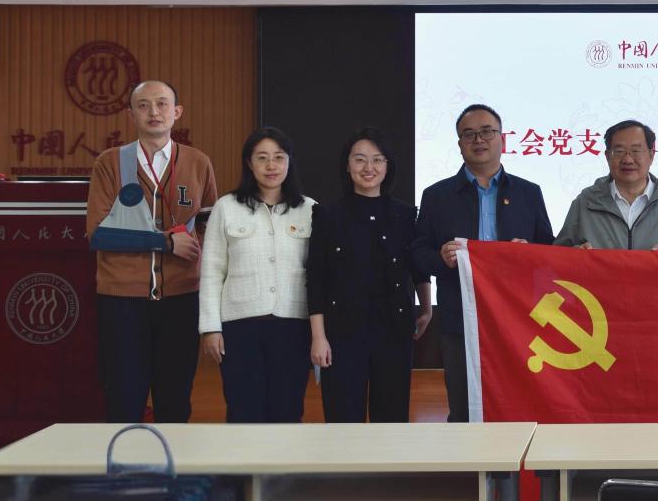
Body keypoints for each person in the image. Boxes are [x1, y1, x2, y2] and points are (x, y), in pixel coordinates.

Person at [411, 103, 555, 423]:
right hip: (459, 320)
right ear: (459, 144)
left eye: (487, 132)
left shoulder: (529, 193)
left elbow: (550, 253)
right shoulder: (437, 195)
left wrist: (528, 254)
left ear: (502, 139)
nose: (479, 140)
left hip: (518, 320)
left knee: (517, 406)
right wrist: (441, 259)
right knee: (464, 410)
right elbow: (418, 254)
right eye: (469, 134)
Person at [87, 80, 218, 423]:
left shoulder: (198, 162)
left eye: (162, 104)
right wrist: (165, 242)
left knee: (175, 398)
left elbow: (210, 227)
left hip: (181, 298)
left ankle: (172, 460)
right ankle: (123, 459)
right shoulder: (111, 162)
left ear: (177, 112)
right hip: (122, 301)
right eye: (143, 105)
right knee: (123, 398)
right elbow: (98, 235)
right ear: (131, 115)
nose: (154, 112)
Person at [305, 128, 431, 422]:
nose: (368, 168)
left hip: (394, 329)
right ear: (347, 165)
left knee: (392, 417)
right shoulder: (328, 215)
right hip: (342, 332)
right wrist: (318, 337)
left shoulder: (405, 215)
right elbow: (316, 278)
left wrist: (426, 307)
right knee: (343, 418)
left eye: (377, 159)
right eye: (359, 159)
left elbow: (418, 266)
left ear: (388, 166)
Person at [198, 127, 316, 423]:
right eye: (262, 158)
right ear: (249, 164)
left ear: (289, 162)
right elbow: (212, 270)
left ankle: (285, 457)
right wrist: (210, 328)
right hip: (240, 327)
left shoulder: (309, 209)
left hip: (294, 325)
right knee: (243, 411)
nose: (271, 165)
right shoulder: (226, 207)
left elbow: (319, 275)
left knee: (288, 410)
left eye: (279, 157)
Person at [556, 119, 658, 250]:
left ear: (651, 155)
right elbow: (558, 257)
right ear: (607, 156)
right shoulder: (585, 202)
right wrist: (576, 254)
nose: (627, 159)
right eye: (619, 151)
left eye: (636, 151)